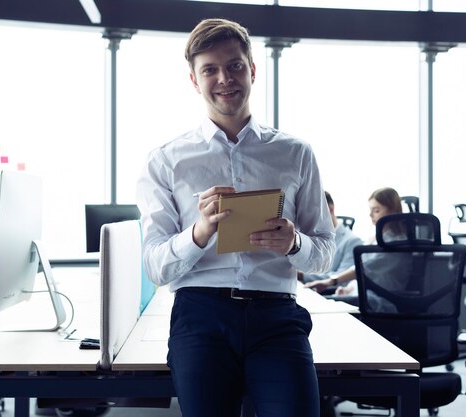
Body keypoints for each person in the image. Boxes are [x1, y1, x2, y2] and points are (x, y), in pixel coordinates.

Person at [135, 18, 335, 417]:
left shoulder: (296, 153)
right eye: (210, 69)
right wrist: (200, 231)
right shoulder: (166, 160)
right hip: (200, 316)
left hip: (277, 315)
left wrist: (294, 243)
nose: (224, 78)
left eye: (235, 65)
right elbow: (156, 266)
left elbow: (326, 253)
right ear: (194, 80)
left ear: (252, 70)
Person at [305, 187, 403, 301]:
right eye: (370, 210)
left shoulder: (398, 243)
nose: (371, 215)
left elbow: (364, 268)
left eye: (376, 210)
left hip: (380, 299)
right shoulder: (376, 239)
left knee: (320, 304)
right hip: (363, 295)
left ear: (393, 211)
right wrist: (349, 289)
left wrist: (330, 281)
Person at [299, 191, 363, 291]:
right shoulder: (307, 239)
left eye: (311, 214)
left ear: (330, 210)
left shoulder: (352, 241)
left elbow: (343, 278)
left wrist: (301, 275)